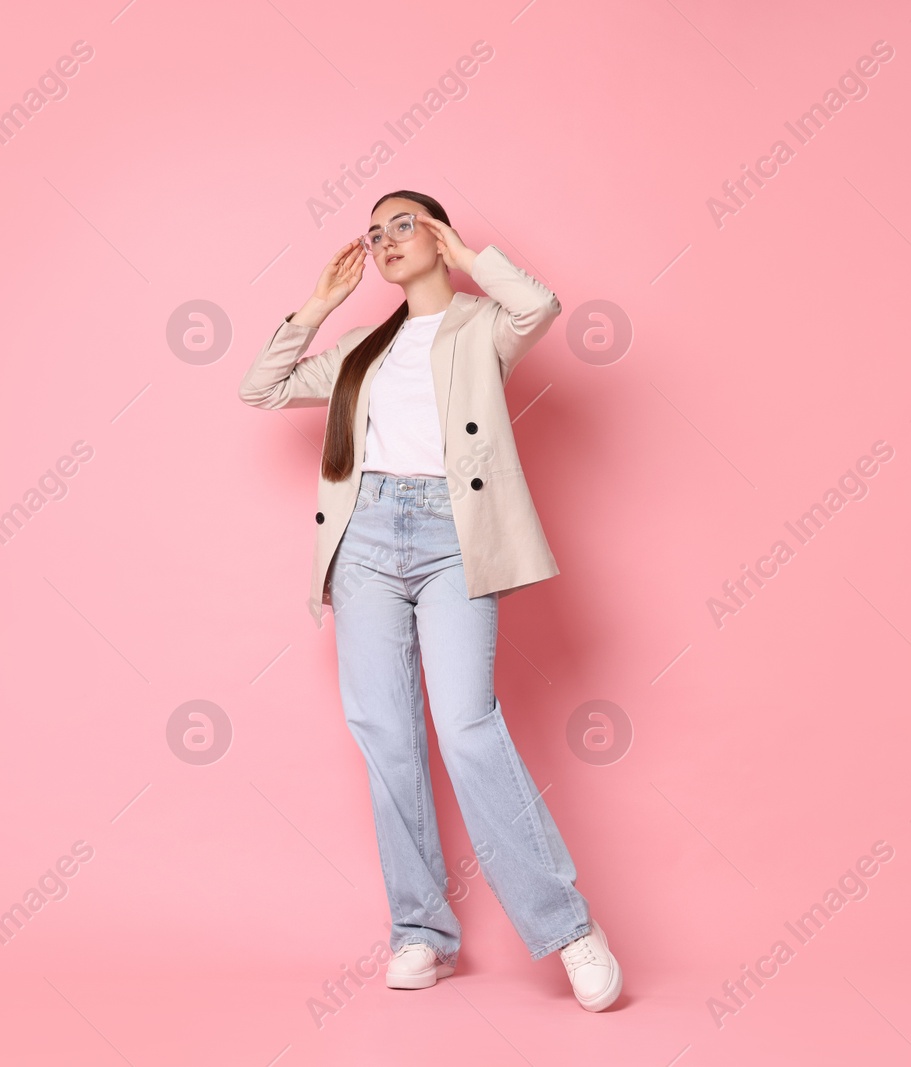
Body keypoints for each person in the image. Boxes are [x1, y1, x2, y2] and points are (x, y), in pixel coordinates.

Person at [237, 190, 622, 1011]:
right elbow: (261, 388)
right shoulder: (360, 346)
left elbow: (541, 304)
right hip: (367, 539)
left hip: (455, 535)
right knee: (385, 731)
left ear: (438, 234)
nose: (384, 241)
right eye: (374, 233)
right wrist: (318, 303)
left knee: (466, 723)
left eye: (401, 224)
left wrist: (470, 256)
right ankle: (421, 930)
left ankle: (568, 926)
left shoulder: (481, 326)